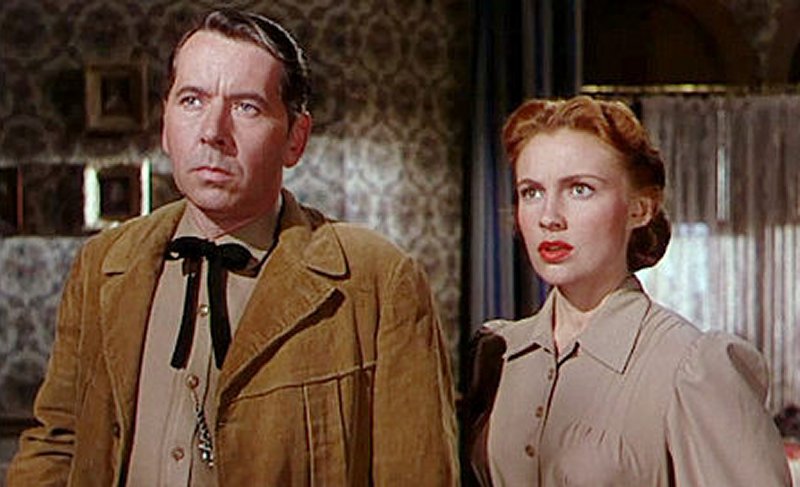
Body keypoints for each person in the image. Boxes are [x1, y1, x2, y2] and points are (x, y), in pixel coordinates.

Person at [8, 9, 458, 486]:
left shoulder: (377, 280)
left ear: (295, 138)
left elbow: (418, 474)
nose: (213, 131)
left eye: (247, 107)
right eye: (192, 100)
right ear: (165, 124)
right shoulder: (104, 264)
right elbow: (56, 444)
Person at [460, 96, 791, 486]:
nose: (549, 217)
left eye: (579, 189)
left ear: (640, 209)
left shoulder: (692, 368)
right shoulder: (500, 354)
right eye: (531, 192)